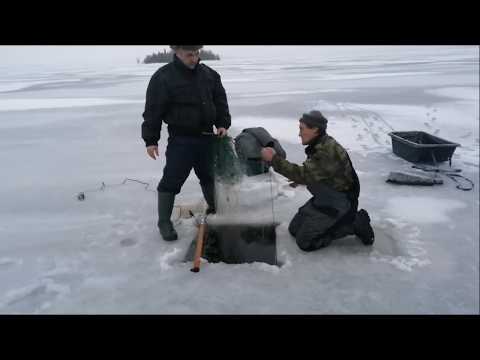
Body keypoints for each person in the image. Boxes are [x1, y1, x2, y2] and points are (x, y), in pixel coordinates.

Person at [141, 45, 231, 241]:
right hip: (181, 140)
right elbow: (153, 111)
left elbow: (220, 101)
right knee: (171, 180)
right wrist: (151, 140)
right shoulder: (163, 77)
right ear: (177, 53)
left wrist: (223, 123)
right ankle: (164, 222)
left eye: (197, 53)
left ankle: (214, 209)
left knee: (208, 175)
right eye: (189, 55)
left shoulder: (209, 74)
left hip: (207, 138)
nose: (194, 58)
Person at [260, 110, 374, 252]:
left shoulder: (327, 151)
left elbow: (304, 174)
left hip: (339, 202)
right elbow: (317, 173)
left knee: (305, 242)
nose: (299, 133)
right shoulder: (319, 144)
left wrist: (274, 159)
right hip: (324, 198)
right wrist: (303, 180)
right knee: (294, 229)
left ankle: (355, 223)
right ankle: (327, 219)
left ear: (315, 129)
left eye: (302, 128)